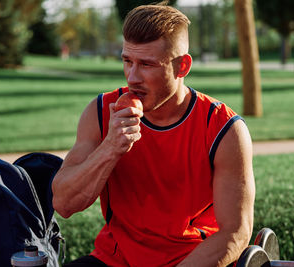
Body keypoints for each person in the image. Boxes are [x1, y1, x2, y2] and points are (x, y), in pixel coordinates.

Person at [52, 2, 255, 266]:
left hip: (191, 259)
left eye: (147, 64)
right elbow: (64, 204)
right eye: (127, 61)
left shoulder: (223, 129)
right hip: (115, 260)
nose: (132, 77)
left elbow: (235, 232)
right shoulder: (101, 112)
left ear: (182, 66)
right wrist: (110, 147)